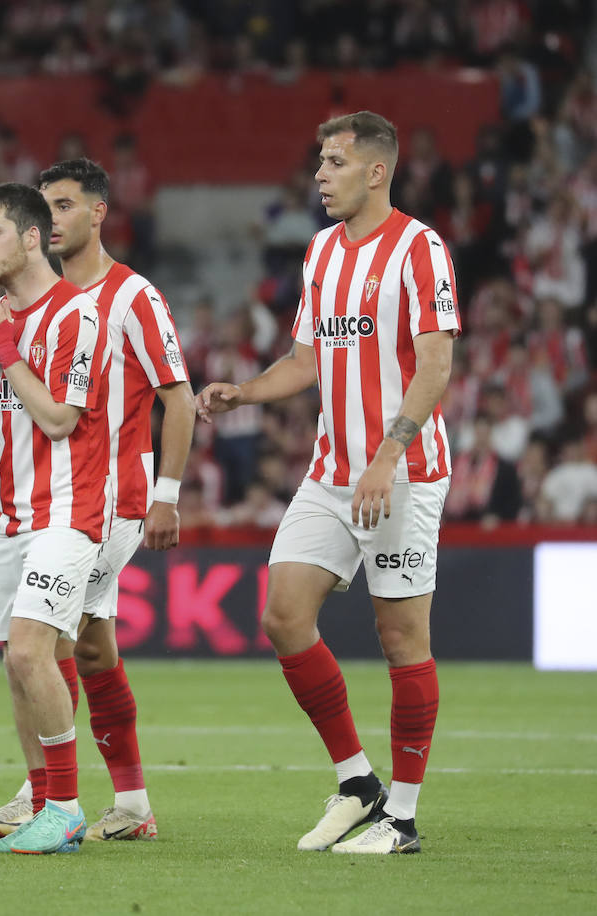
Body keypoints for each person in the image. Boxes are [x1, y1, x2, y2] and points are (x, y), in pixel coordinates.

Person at [197, 111, 458, 855]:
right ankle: (357, 783)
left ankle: (401, 820)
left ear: (376, 171)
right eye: (319, 161)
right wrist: (243, 393)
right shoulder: (318, 252)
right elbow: (308, 358)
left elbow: (435, 364)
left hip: (401, 471)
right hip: (332, 471)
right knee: (283, 615)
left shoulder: (418, 247)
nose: (319, 175)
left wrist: (387, 454)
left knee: (401, 636)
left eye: (335, 162)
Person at [0, 158, 196, 843]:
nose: (53, 219)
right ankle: (122, 803)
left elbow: (177, 398)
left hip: (110, 497)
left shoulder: (129, 298)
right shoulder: (26, 299)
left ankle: (50, 794)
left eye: (64, 205)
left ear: (96, 213)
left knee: (45, 642)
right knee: (87, 647)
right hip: (44, 495)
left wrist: (167, 494)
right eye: (44, 207)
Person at [0, 183, 109, 855]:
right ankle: (45, 808)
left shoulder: (79, 314)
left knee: (29, 651)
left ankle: (68, 807)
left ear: (28, 237)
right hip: (9, 516)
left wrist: (6, 345)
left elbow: (57, 420)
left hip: (69, 512)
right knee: (19, 671)